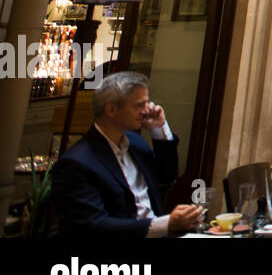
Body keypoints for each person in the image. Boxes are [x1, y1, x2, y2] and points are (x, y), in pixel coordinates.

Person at [50, 70, 203, 237]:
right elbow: (93, 226)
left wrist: (159, 129)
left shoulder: (135, 142)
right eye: (139, 105)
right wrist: (167, 224)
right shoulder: (76, 163)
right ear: (111, 110)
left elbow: (167, 175)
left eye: (147, 103)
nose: (147, 110)